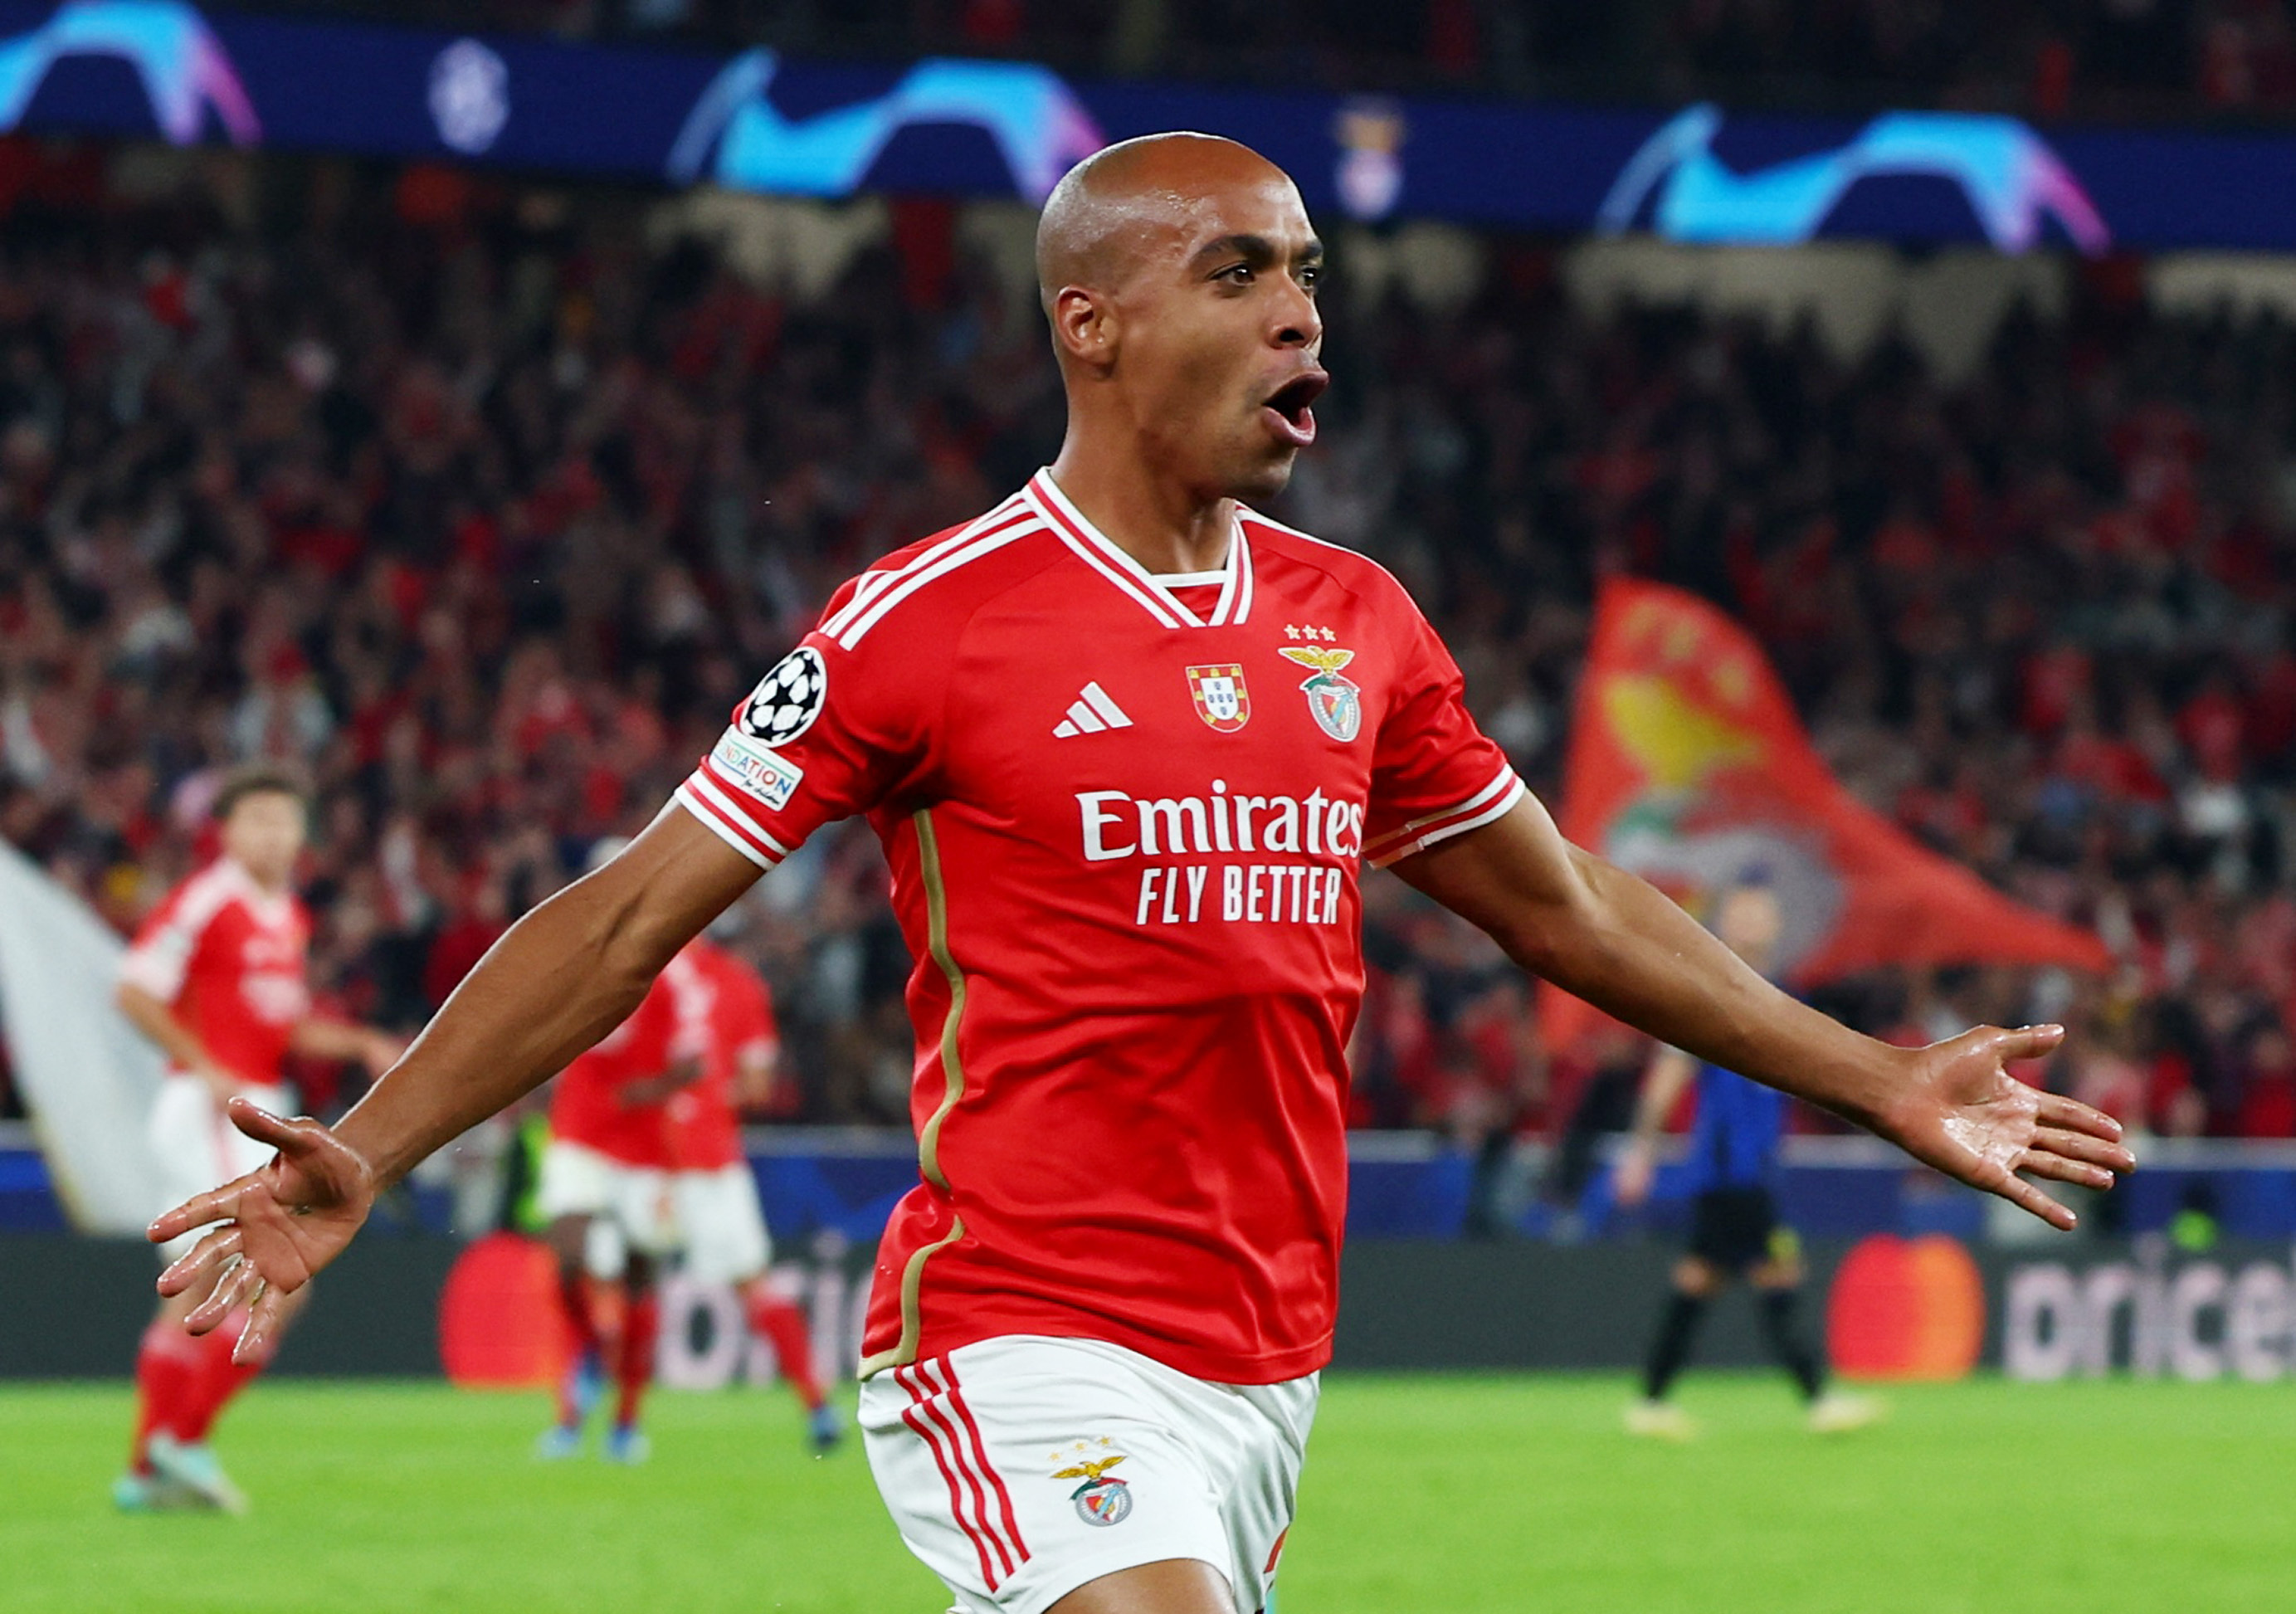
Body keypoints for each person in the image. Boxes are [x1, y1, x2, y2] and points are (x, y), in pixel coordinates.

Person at [152, 134, 2133, 1614]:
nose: (1301, 311)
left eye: (1308, 275)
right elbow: (624, 908)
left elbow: (1576, 908)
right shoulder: (919, 622)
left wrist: (1876, 1072)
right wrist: (374, 1140)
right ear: (1090, 326)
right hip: (1014, 1329)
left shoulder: (1358, 624)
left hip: (1265, 1349)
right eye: (1239, 271)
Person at [113, 763, 400, 1513]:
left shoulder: (287, 914)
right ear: (227, 831)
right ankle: (187, 1442)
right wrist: (204, 1064)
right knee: (283, 1272)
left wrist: (361, 1040)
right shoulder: (208, 899)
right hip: (215, 1106)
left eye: (285, 820)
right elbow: (134, 987)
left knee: (198, 1289)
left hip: (254, 1104)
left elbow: (285, 1024)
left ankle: (146, 1471)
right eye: (258, 820)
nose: (273, 834)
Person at [1614, 878, 1881, 1438]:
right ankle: (1817, 1398)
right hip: (1726, 1170)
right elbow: (1666, 1080)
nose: (1752, 923)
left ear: (1777, 926)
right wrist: (1639, 1153)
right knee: (1777, 1270)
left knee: (1696, 1280)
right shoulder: (1704, 993)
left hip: (1754, 1167)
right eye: (1742, 914)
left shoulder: (1783, 996)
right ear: (1721, 926)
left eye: (1761, 914)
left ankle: (1650, 1401)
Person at [532, 864, 709, 1465]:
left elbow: (696, 1061)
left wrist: (647, 1088)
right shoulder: (574, 959)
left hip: (642, 1146)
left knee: (638, 1280)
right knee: (568, 1255)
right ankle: (586, 1349)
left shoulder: (677, 975)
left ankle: (626, 1421)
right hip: (579, 1130)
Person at [670, 929, 842, 1451]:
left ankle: (579, 1418)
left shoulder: (630, 969)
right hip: (706, 1157)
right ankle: (817, 1408)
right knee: (754, 1284)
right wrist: (710, 1096)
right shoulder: (738, 982)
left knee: (602, 1280)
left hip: (654, 1154)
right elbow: (757, 1085)